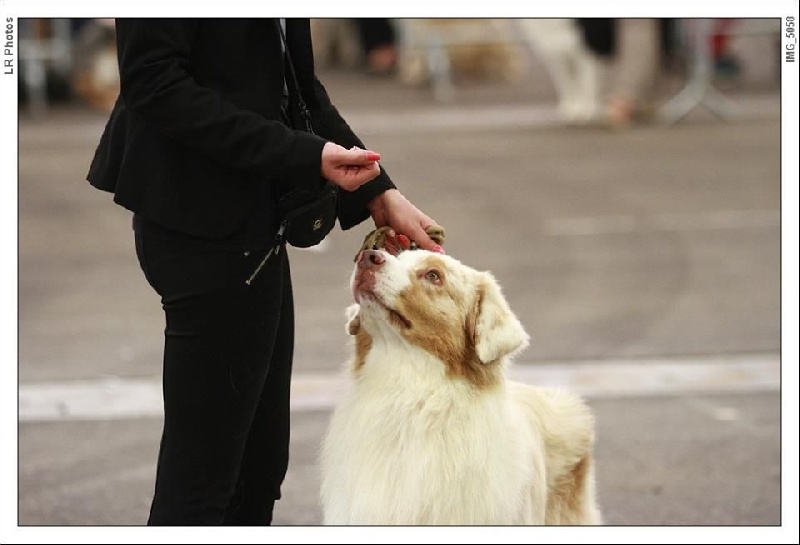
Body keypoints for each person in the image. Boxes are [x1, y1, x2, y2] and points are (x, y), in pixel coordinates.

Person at [86, 18, 441, 526]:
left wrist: (379, 192)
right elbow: (154, 85)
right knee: (203, 487)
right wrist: (304, 154)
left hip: (255, 223)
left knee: (257, 470)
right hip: (201, 224)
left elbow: (296, 85)